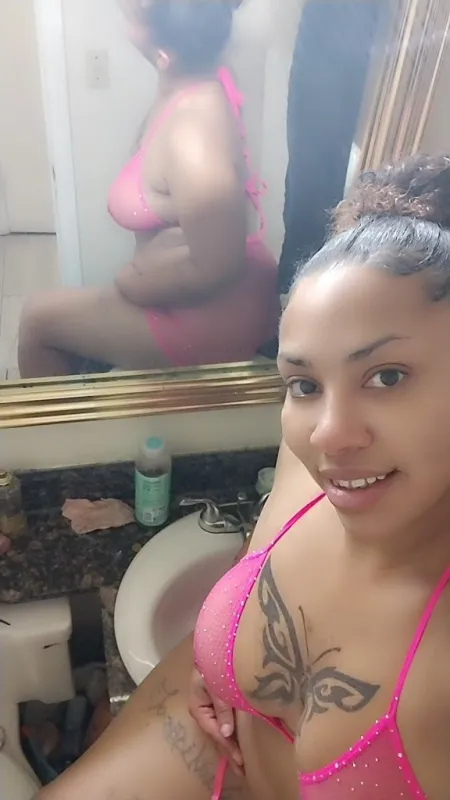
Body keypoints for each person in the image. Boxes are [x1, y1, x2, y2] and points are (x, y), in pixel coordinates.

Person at [36, 153, 450, 800]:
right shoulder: (318, 467)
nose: (328, 434)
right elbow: (258, 560)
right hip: (214, 745)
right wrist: (223, 658)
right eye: (304, 384)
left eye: (386, 376)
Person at [18, 0, 279, 379]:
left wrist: (133, 286)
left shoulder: (193, 139)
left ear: (163, 53)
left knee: (37, 321)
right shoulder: (194, 74)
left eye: (132, 14)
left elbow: (218, 266)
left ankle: (64, 420)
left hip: (212, 312)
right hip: (192, 287)